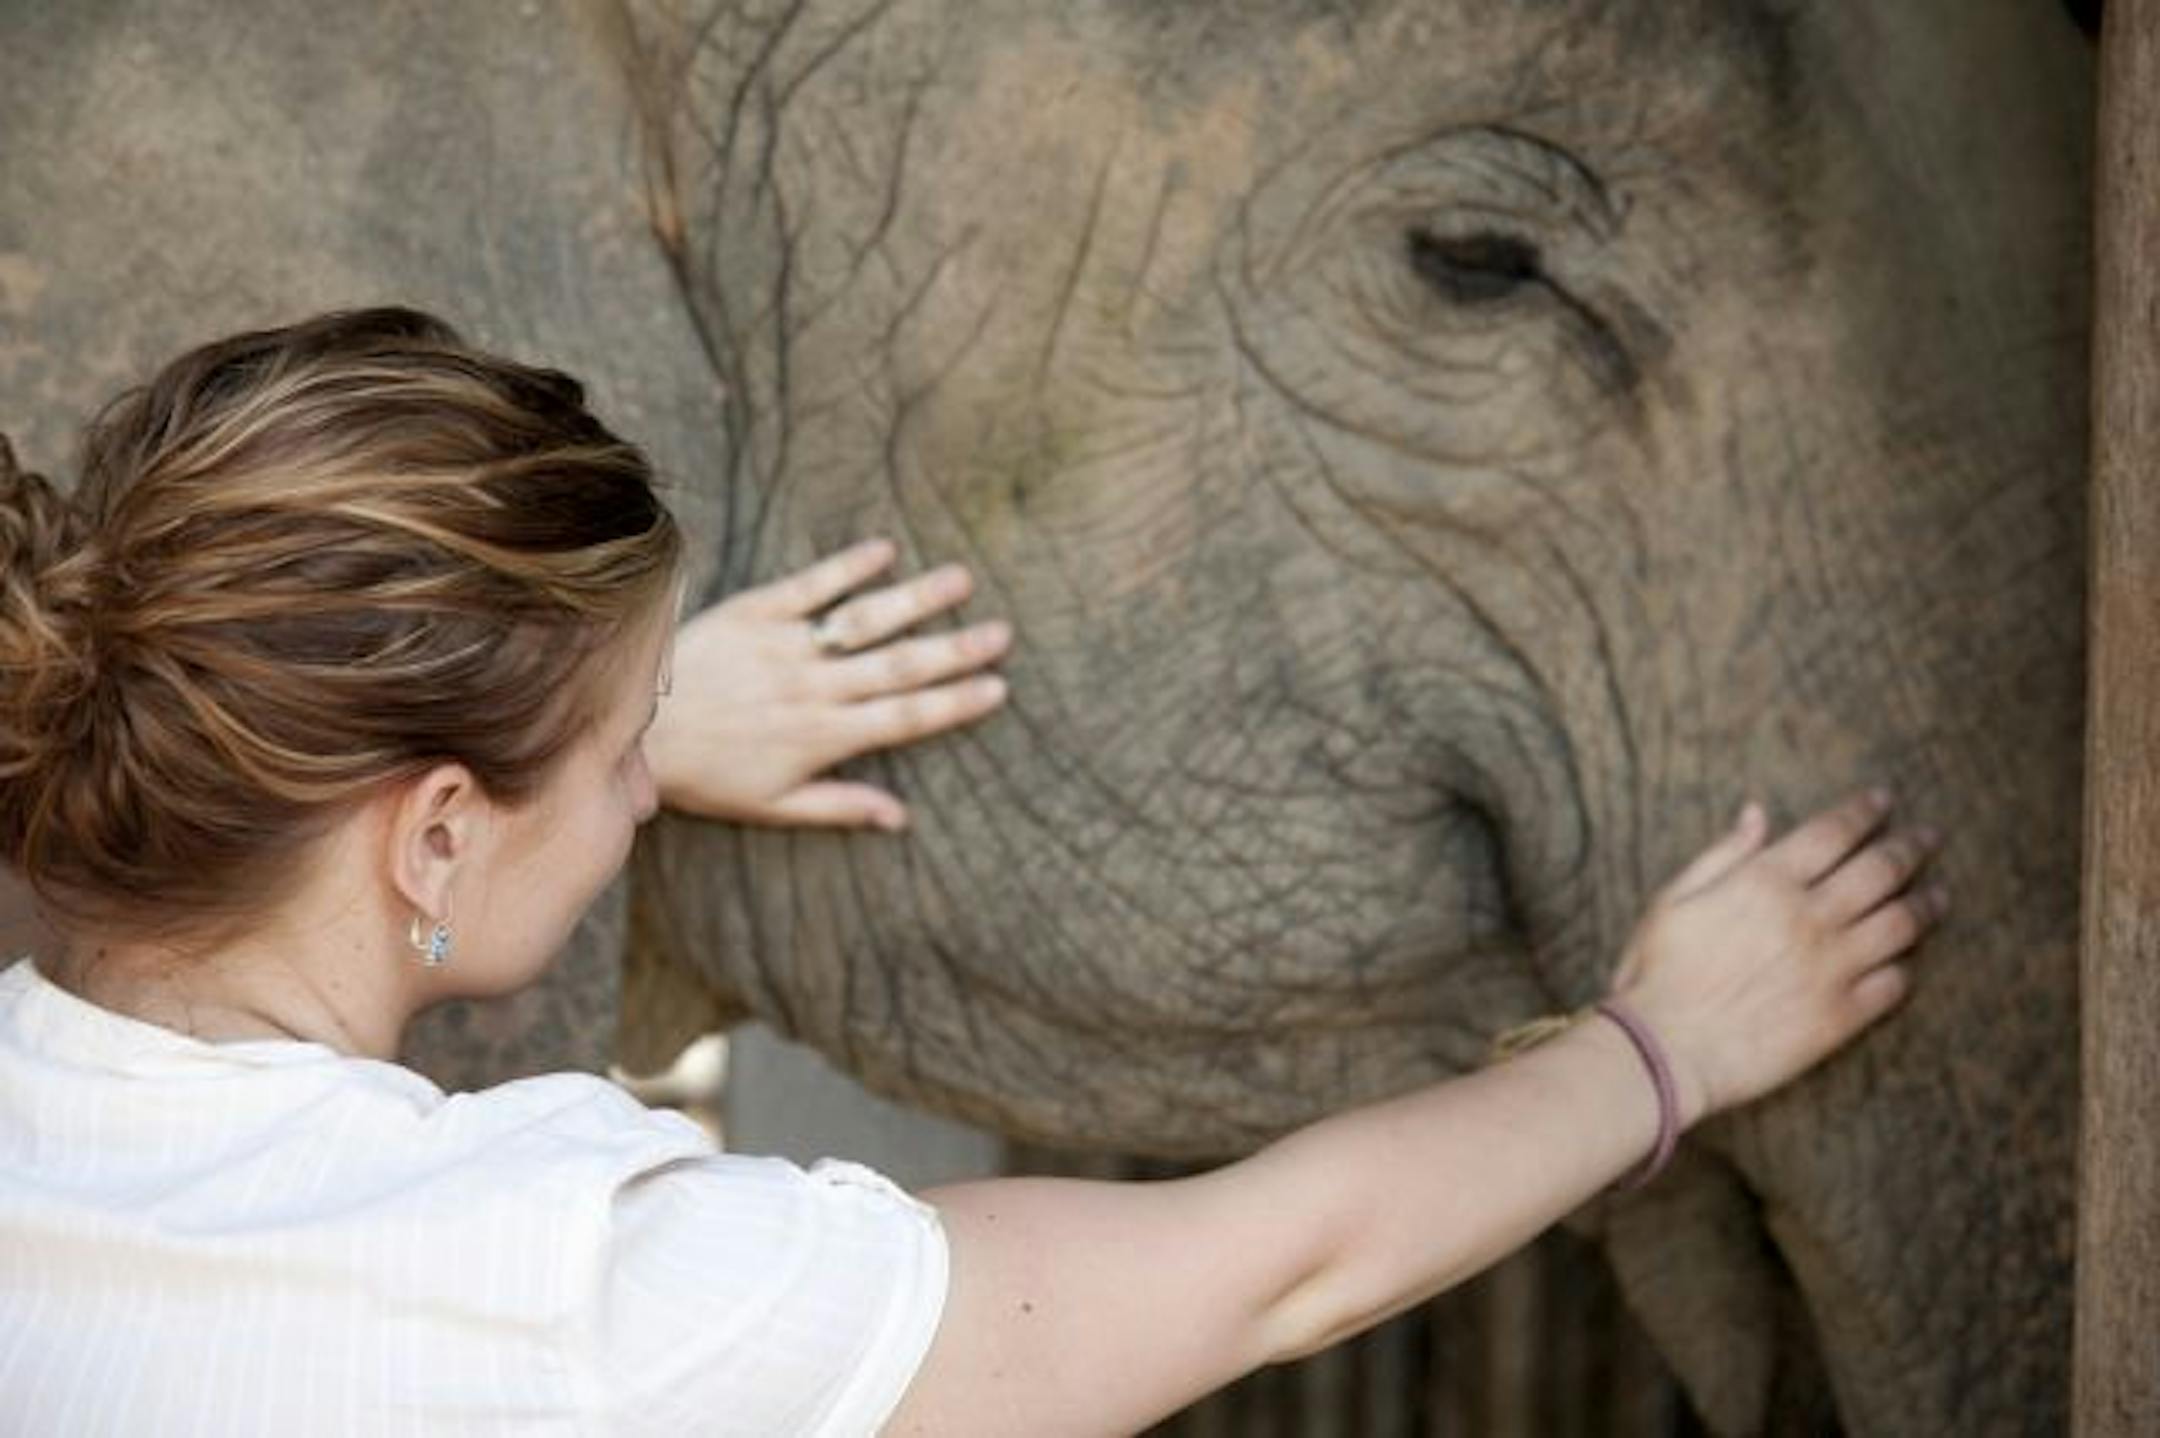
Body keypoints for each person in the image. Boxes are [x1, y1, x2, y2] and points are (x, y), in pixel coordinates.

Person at [0, 309, 1946, 1436]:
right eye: (614, 757)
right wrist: (1666, 1038)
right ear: (430, 824)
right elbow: (1269, 1268)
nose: (623, 797)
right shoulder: (585, 1292)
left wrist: (618, 742)